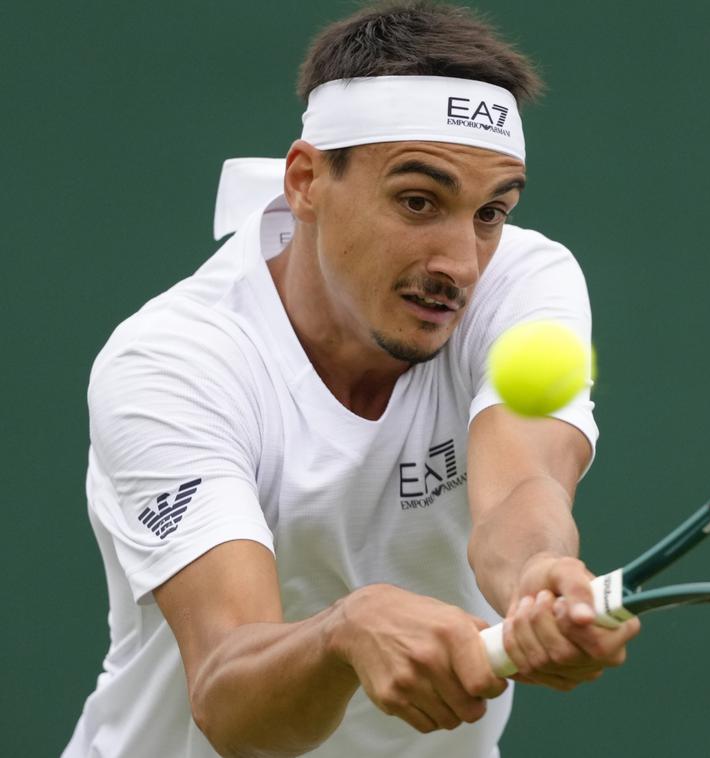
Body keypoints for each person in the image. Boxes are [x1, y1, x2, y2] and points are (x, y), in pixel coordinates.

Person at [62, 2, 639, 756]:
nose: (460, 264)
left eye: (491, 212)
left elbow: (522, 489)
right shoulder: (172, 366)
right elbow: (233, 707)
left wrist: (537, 576)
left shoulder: (527, 282)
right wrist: (345, 631)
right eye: (417, 201)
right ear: (306, 181)